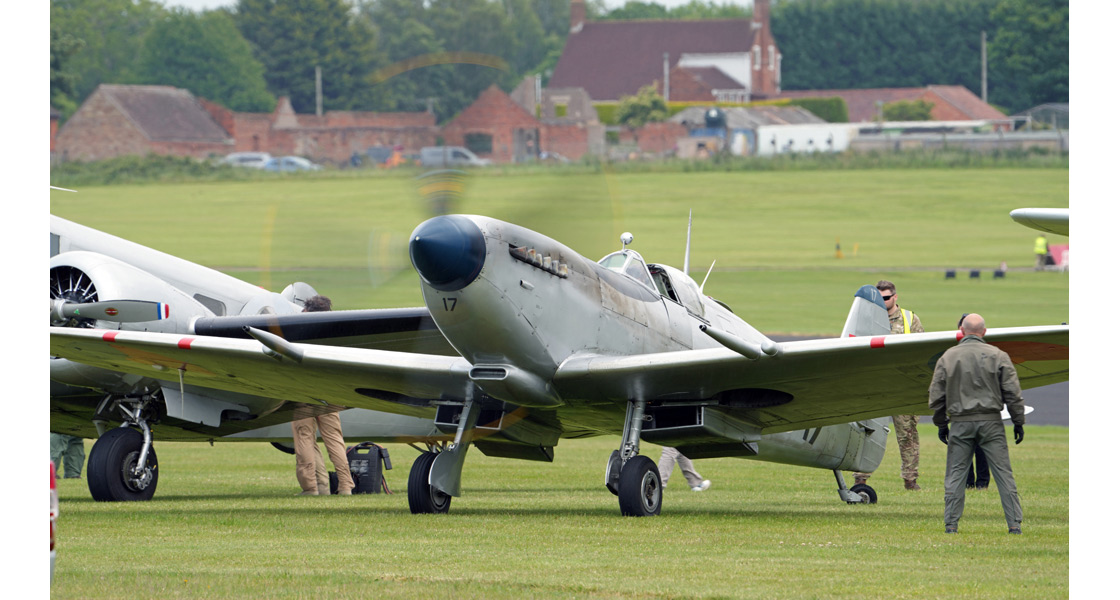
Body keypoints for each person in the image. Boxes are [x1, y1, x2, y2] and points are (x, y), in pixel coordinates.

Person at [929, 313, 1024, 534]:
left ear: (961, 331)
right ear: (984, 332)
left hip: (960, 423)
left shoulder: (948, 357)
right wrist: (1018, 421)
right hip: (991, 422)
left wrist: (941, 424)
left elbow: (936, 396)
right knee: (1003, 473)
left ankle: (951, 524)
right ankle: (1014, 524)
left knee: (956, 473)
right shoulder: (998, 355)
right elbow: (1013, 393)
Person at [854, 280, 924, 491]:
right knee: (867, 431)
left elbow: (920, 350)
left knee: (907, 434)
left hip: (901, 387)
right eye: (879, 297)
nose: (882, 302)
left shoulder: (910, 319)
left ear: (895, 297)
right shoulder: (865, 318)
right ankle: (860, 478)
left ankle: (910, 480)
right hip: (874, 386)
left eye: (886, 298)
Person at [291, 295, 355, 496]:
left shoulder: (299, 328)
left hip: (304, 388)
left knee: (304, 437)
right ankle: (345, 486)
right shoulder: (335, 329)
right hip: (329, 388)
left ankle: (311, 487)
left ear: (307, 310)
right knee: (334, 438)